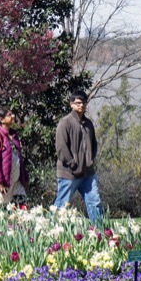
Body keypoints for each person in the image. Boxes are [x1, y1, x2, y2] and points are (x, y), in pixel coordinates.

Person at [54, 90, 102, 222]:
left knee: (95, 202)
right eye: (78, 103)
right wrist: (72, 164)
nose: (81, 105)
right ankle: (51, 230)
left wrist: (90, 160)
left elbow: (94, 144)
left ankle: (99, 231)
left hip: (88, 173)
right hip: (69, 173)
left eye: (84, 102)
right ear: (71, 104)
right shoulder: (65, 122)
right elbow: (61, 147)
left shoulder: (88, 123)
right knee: (62, 206)